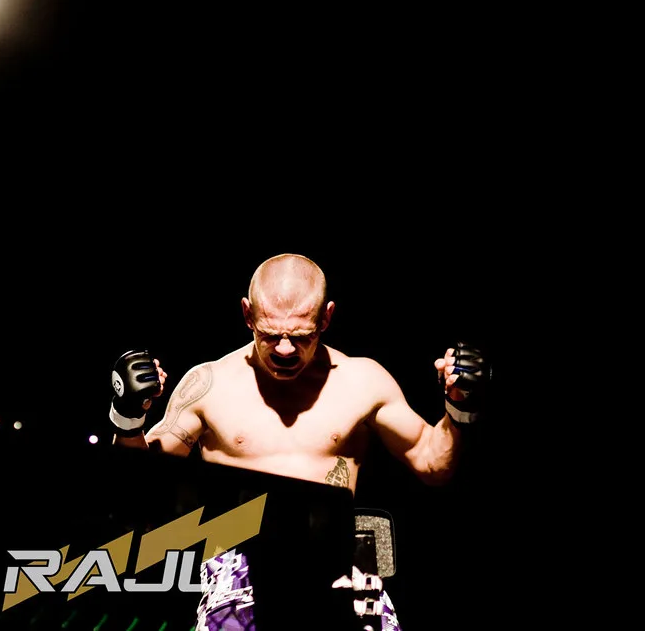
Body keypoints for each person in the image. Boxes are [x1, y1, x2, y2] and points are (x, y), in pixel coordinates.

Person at [106, 253, 491, 631]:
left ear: (326, 317)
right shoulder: (209, 385)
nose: (285, 350)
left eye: (302, 336)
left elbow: (432, 464)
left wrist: (459, 406)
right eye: (270, 335)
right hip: (238, 570)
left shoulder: (363, 381)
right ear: (247, 315)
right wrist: (128, 417)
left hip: (338, 567)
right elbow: (137, 490)